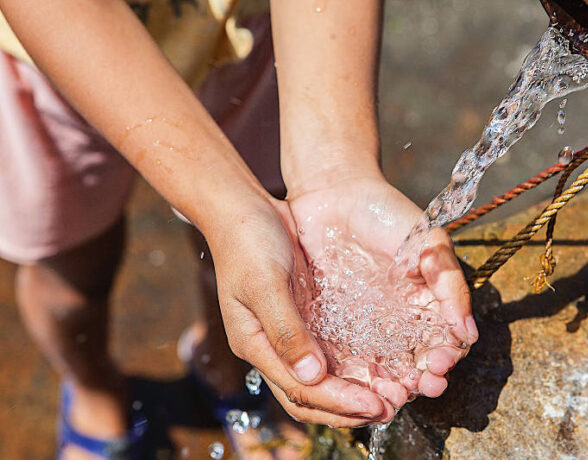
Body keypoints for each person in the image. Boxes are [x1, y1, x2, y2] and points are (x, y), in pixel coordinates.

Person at [0, 0, 478, 459]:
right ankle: (93, 388)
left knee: (252, 246)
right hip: (57, 58)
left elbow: (249, 226)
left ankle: (222, 364)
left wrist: (336, 167)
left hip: (250, 38)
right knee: (72, 273)